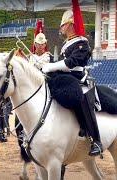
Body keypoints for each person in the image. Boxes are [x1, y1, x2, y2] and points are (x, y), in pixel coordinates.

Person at [41, 0, 102, 156]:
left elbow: (72, 62)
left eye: (63, 24)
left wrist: (52, 66)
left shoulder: (82, 43)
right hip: (63, 77)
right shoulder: (67, 43)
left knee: (80, 96)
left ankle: (95, 139)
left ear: (70, 25)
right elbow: (60, 63)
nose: (61, 27)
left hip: (77, 77)